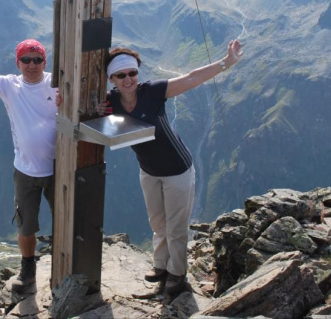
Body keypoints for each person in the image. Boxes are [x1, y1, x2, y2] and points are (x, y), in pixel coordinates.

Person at [99, 40, 243, 296]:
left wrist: (226, 62)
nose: (128, 79)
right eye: (121, 75)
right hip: (149, 170)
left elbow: (190, 79)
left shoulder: (152, 91)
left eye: (132, 73)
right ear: (112, 78)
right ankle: (161, 267)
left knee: (176, 226)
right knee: (158, 223)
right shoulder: (110, 102)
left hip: (177, 169)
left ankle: (177, 274)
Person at [0, 13, 60, 293]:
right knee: (26, 225)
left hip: (59, 168)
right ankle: (28, 269)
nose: (32, 65)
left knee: (66, 220)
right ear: (17, 63)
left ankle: (65, 266)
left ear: (45, 61)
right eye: (26, 60)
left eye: (37, 59)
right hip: (26, 171)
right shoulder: (9, 85)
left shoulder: (58, 83)